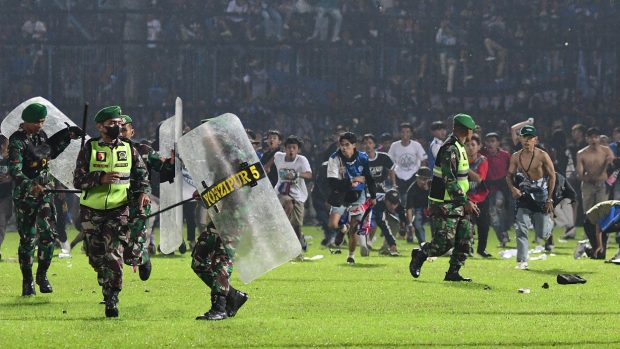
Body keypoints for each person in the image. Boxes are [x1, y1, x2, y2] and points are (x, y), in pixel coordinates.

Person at [74, 106, 150, 317]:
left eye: (119, 123)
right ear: (100, 126)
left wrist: (143, 191)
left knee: (113, 254)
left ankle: (111, 298)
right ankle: (105, 280)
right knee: (95, 257)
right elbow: (77, 180)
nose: (117, 127)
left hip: (119, 209)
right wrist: (100, 178)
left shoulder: (129, 148)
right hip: (91, 210)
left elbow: (142, 174)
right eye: (112, 124)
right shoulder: (89, 148)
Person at [8, 103, 81, 296]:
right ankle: (27, 281)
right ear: (27, 122)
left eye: (42, 121)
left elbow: (49, 152)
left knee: (49, 236)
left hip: (45, 194)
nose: (41, 125)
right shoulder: (17, 141)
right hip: (25, 198)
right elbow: (15, 171)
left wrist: (67, 137)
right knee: (27, 240)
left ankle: (42, 275)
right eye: (38, 122)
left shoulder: (40, 136)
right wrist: (31, 184)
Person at [409, 114, 479, 282]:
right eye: (471, 130)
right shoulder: (449, 149)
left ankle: (453, 273)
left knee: (465, 237)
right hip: (444, 202)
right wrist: (466, 201)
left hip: (457, 200)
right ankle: (420, 254)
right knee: (443, 243)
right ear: (466, 130)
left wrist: (465, 199)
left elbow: (460, 180)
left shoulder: (460, 146)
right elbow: (450, 181)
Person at [120, 114, 175, 279]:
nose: (120, 133)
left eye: (124, 130)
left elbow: (164, 168)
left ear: (132, 132)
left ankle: (142, 258)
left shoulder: (144, 150)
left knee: (133, 246)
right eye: (117, 129)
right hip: (113, 203)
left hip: (139, 202)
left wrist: (172, 162)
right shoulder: (105, 150)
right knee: (113, 243)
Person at [506, 125, 556, 270]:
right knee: (521, 226)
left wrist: (550, 199)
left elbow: (552, 176)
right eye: (524, 137)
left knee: (542, 234)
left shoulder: (542, 155)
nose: (527, 141)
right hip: (525, 194)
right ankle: (522, 261)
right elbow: (509, 175)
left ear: (535, 139)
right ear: (520, 138)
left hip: (541, 194)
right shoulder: (516, 156)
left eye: (530, 138)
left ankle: (549, 223)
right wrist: (513, 188)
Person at [190, 201, 249, 321]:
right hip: (221, 217)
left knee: (222, 259)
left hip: (236, 218)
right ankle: (233, 296)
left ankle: (219, 308)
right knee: (198, 260)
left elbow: (242, 192)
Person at [326, 132, 376, 264]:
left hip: (358, 195)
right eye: (341, 145)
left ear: (354, 145)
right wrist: (352, 181)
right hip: (341, 194)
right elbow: (332, 182)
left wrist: (373, 196)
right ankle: (343, 228)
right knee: (332, 224)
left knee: (354, 225)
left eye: (347, 145)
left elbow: (369, 178)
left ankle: (351, 256)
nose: (343, 147)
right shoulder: (334, 158)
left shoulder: (363, 157)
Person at [273, 135, 313, 253]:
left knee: (297, 224)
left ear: (298, 149)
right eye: (289, 147)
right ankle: (283, 229)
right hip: (281, 191)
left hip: (298, 194)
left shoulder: (302, 160)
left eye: (294, 148)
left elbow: (309, 175)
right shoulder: (278, 157)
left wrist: (297, 174)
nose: (291, 150)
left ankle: (300, 238)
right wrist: (266, 167)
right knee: (288, 202)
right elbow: (270, 162)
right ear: (284, 148)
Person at [481, 132, 512, 247]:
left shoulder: (505, 155)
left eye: (493, 141)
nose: (490, 143)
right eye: (488, 141)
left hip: (501, 187)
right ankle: (502, 236)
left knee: (499, 207)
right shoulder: (482, 154)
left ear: (498, 143)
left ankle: (504, 232)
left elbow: (511, 170)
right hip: (487, 188)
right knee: (492, 215)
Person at [576, 127, 614, 214]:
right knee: (588, 211)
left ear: (599, 138)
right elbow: (580, 172)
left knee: (602, 210)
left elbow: (613, 167)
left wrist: (609, 162)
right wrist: (586, 178)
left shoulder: (606, 150)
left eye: (596, 137)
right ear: (586, 139)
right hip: (588, 184)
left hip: (603, 184)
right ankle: (590, 227)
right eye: (590, 137)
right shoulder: (581, 153)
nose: (593, 140)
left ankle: (600, 227)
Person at [465, 135, 491, 257]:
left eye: (473, 145)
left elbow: (480, 179)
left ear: (479, 147)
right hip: (465, 198)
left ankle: (481, 250)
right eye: (467, 145)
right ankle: (467, 248)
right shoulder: (457, 160)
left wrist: (465, 167)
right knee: (466, 224)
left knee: (484, 225)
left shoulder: (483, 160)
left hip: (481, 197)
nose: (470, 148)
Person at [388, 122, 427, 204]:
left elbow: (423, 160)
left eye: (407, 132)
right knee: (402, 202)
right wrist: (394, 184)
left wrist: (420, 177)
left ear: (411, 133)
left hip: (413, 176)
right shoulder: (394, 146)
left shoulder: (416, 145)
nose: (405, 134)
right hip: (399, 177)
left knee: (415, 200)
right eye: (402, 132)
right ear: (399, 133)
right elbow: (390, 165)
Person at [405, 166, 432, 245]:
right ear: (417, 178)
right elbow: (409, 208)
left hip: (431, 208)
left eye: (425, 179)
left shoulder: (433, 187)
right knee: (417, 223)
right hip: (418, 210)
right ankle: (422, 243)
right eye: (420, 178)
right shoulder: (412, 190)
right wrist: (410, 224)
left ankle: (436, 243)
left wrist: (428, 190)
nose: (422, 181)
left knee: (436, 223)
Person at [373, 189, 404, 257]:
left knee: (395, 223)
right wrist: (392, 243)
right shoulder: (379, 204)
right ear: (385, 200)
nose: (393, 206)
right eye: (391, 203)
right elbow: (383, 225)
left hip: (382, 212)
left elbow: (403, 215)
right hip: (367, 210)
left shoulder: (398, 204)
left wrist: (404, 227)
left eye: (395, 203)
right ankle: (367, 243)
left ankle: (385, 249)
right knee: (372, 224)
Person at [0, 134, 13, 261]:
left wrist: (10, 178)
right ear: (3, 146)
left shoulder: (12, 160)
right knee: (1, 224)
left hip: (6, 196)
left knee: (2, 223)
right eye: (8, 145)